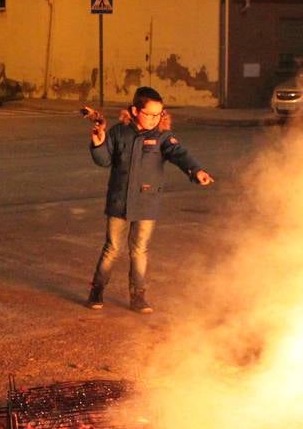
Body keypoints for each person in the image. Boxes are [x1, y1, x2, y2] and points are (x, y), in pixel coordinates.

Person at [87, 86, 214, 313]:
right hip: (119, 201)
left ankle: (138, 295)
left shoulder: (162, 136)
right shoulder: (118, 132)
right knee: (113, 248)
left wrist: (196, 171)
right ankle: (97, 289)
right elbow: (104, 161)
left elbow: (180, 154)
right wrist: (98, 143)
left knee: (140, 250)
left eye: (159, 114)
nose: (155, 119)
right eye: (150, 114)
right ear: (135, 110)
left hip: (147, 203)